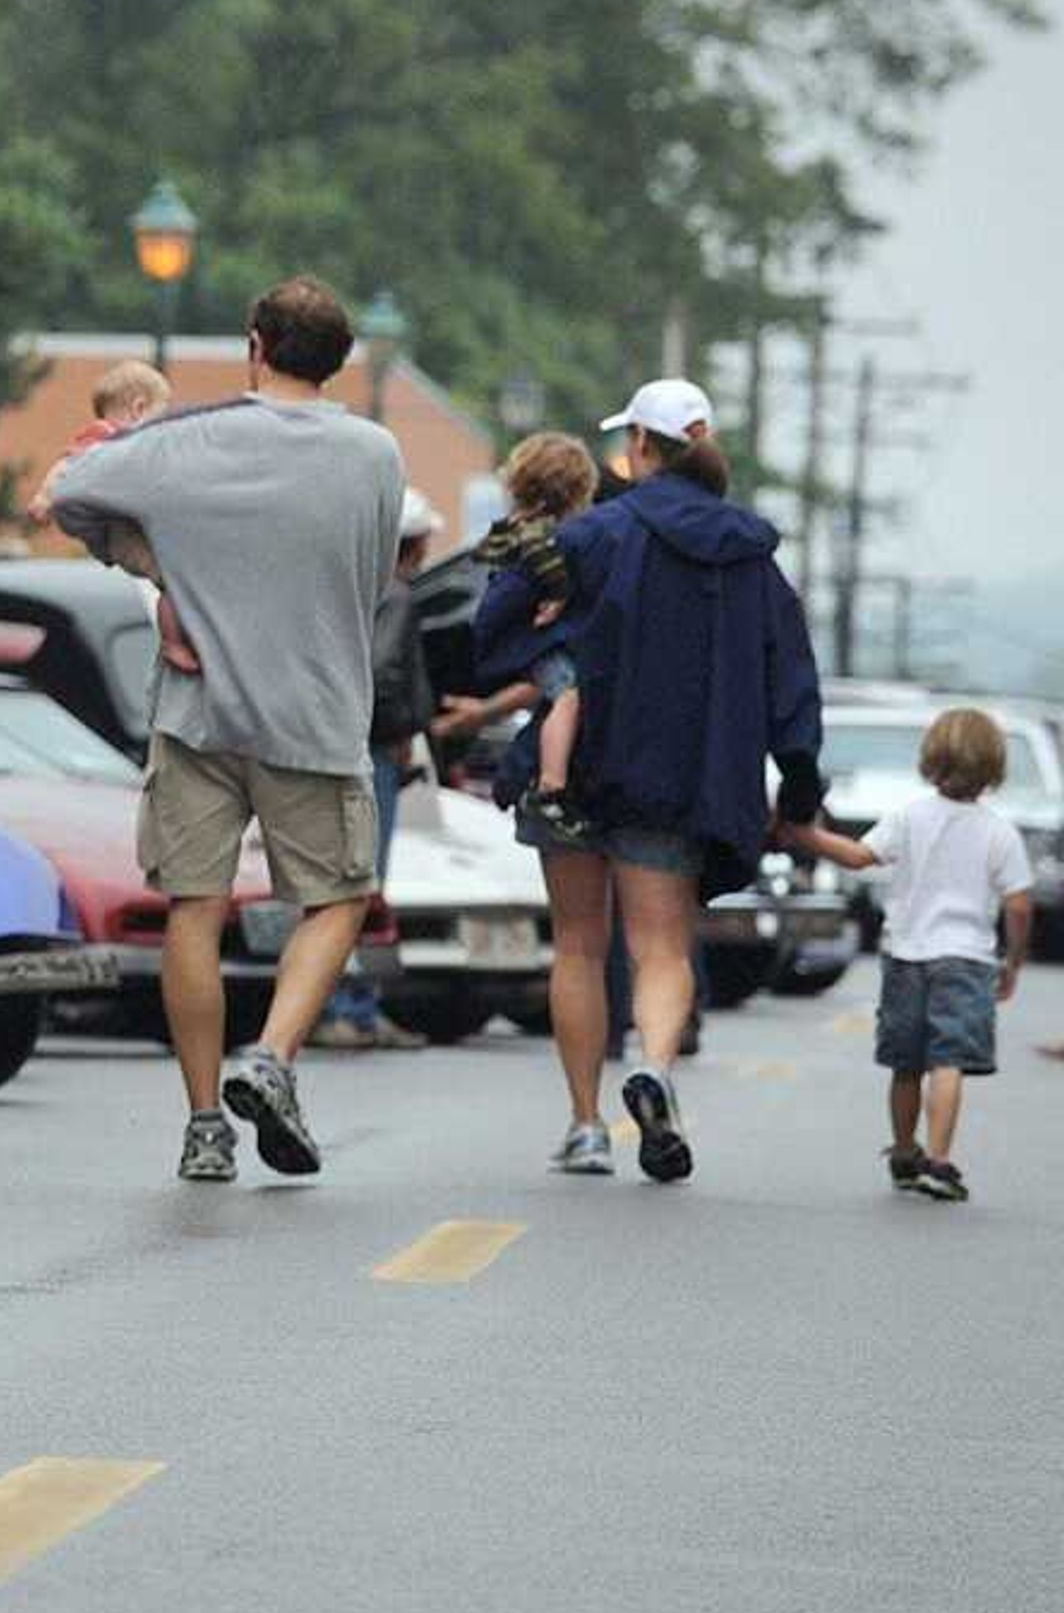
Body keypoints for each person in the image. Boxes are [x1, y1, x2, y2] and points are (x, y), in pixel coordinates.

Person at [49, 277, 404, 1184]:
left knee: (194, 909)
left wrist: (161, 572)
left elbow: (70, 490)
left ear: (254, 345)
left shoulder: (188, 439)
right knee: (339, 900)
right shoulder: (374, 454)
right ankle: (273, 1057)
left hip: (199, 713)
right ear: (339, 362)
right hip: (316, 713)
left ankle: (205, 1124)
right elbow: (371, 582)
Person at [472, 377, 822, 1185]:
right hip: (677, 782)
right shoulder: (754, 560)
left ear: (639, 449)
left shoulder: (595, 536)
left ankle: (587, 1125)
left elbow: (491, 626)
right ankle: (657, 1071)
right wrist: (799, 783)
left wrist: (535, 646)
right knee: (662, 947)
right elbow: (790, 680)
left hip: (575, 776)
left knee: (581, 947)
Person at [775, 708, 1031, 1202]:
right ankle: (938, 1161)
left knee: (906, 1063)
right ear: (994, 768)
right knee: (949, 1060)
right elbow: (1019, 904)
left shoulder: (910, 816)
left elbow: (858, 857)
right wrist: (1014, 960)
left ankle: (902, 1148)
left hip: (905, 955)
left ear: (931, 759)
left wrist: (803, 835)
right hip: (968, 959)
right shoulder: (1000, 832)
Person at [314, 489, 444, 1047]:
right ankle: (352, 1006)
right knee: (366, 883)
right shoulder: (396, 596)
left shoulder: (341, 589)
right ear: (411, 545)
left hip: (331, 746)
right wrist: (397, 732)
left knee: (336, 876)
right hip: (372, 751)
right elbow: (384, 672)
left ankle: (345, 1003)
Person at [26, 358, 201, 674]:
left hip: (126, 531)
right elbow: (66, 466)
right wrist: (44, 497)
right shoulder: (106, 436)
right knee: (175, 581)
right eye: (160, 414)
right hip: (123, 535)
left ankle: (178, 639)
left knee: (174, 582)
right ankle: (174, 643)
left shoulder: (122, 444)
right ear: (138, 408)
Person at [471, 433, 600, 844]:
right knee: (568, 695)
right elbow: (542, 562)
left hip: (523, 649)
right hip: (542, 645)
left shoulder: (513, 528)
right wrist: (560, 593)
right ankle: (552, 783)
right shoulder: (543, 535)